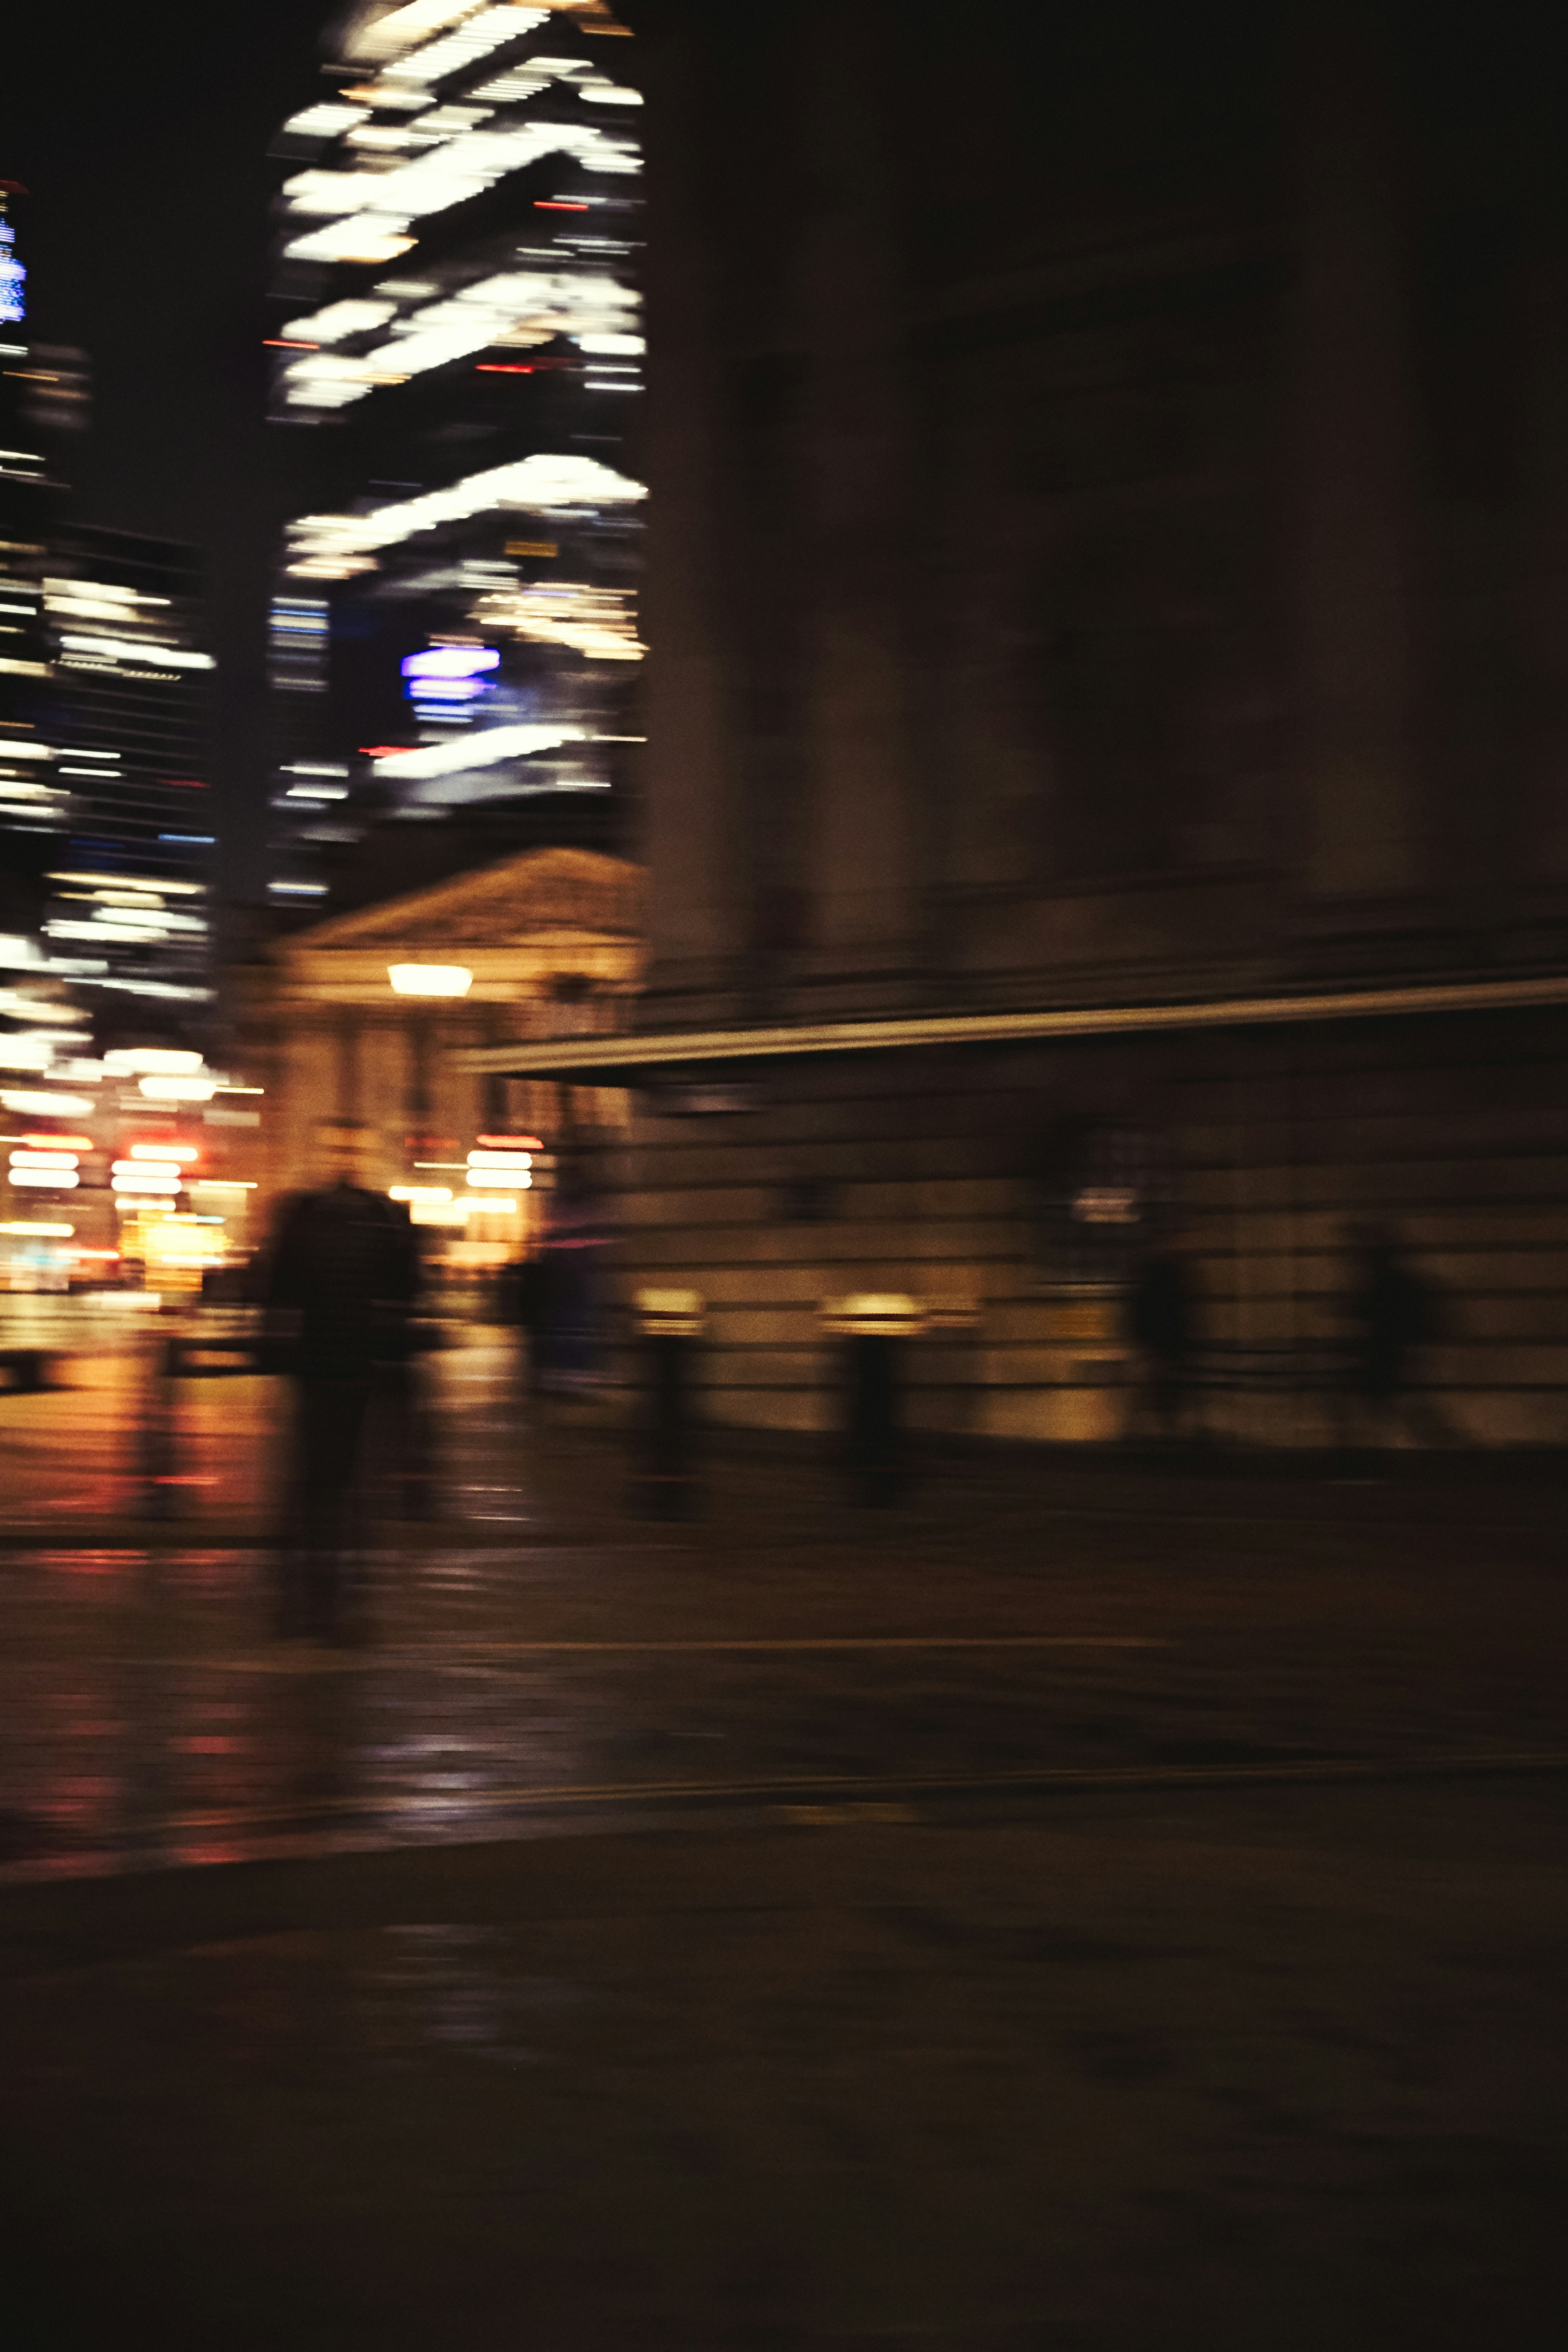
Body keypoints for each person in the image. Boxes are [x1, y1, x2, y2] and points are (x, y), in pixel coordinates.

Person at [263, 1123, 418, 1640]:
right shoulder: (386, 1220)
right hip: (359, 1370)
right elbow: (407, 1296)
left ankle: (301, 1595)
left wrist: (278, 1355)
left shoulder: (299, 1215)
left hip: (315, 1368)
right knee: (351, 1484)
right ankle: (341, 1595)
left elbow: (275, 1292)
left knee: (310, 1482)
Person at [1341, 1222, 1451, 1452]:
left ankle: (1447, 1450)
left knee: (1399, 1411)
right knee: (1400, 1411)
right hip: (1394, 1356)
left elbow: (1368, 1312)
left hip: (1389, 1356)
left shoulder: (1387, 1282)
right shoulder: (1395, 1281)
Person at [1128, 1242, 1199, 1441]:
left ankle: (1137, 1427)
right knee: (1165, 1387)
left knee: (1153, 1387)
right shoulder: (1174, 1276)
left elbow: (1140, 1311)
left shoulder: (1149, 1276)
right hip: (1168, 1343)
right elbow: (1182, 1314)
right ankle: (1168, 1427)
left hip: (1158, 1343)